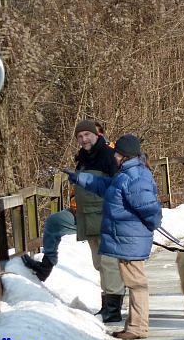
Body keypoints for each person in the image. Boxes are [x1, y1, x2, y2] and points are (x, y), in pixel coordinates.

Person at [22, 120, 125, 323]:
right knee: (98, 262)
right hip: (86, 216)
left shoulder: (108, 156)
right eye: (80, 136)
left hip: (106, 217)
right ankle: (47, 266)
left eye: (87, 135)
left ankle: (112, 310)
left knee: (109, 262)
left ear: (97, 135)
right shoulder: (83, 158)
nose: (83, 139)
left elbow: (117, 186)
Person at [64, 134, 162, 340]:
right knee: (133, 281)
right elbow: (104, 186)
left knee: (136, 283)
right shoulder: (125, 174)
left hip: (129, 238)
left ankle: (138, 328)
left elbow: (149, 207)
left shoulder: (135, 177)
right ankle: (134, 325)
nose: (114, 155)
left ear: (125, 155)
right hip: (127, 237)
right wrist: (79, 178)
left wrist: (152, 224)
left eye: (117, 152)